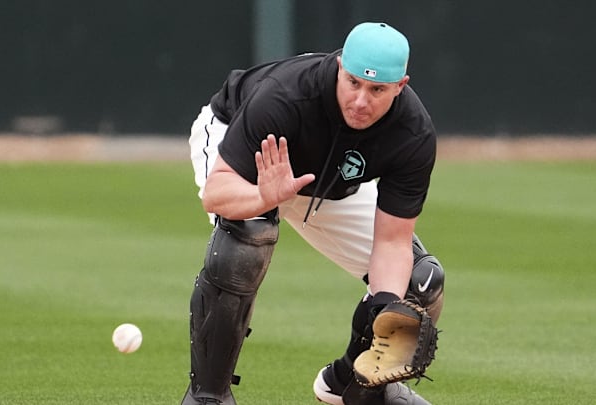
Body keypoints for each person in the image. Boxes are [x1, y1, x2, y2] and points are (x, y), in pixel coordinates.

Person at [182, 22, 445, 405]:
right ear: (340, 66)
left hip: (329, 182)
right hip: (248, 161)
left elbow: (392, 241)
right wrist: (261, 196)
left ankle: (357, 386)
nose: (360, 100)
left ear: (401, 86)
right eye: (353, 82)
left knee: (419, 283)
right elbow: (217, 193)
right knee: (247, 236)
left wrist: (383, 309)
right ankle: (208, 395)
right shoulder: (285, 96)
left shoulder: (413, 133)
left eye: (377, 90)